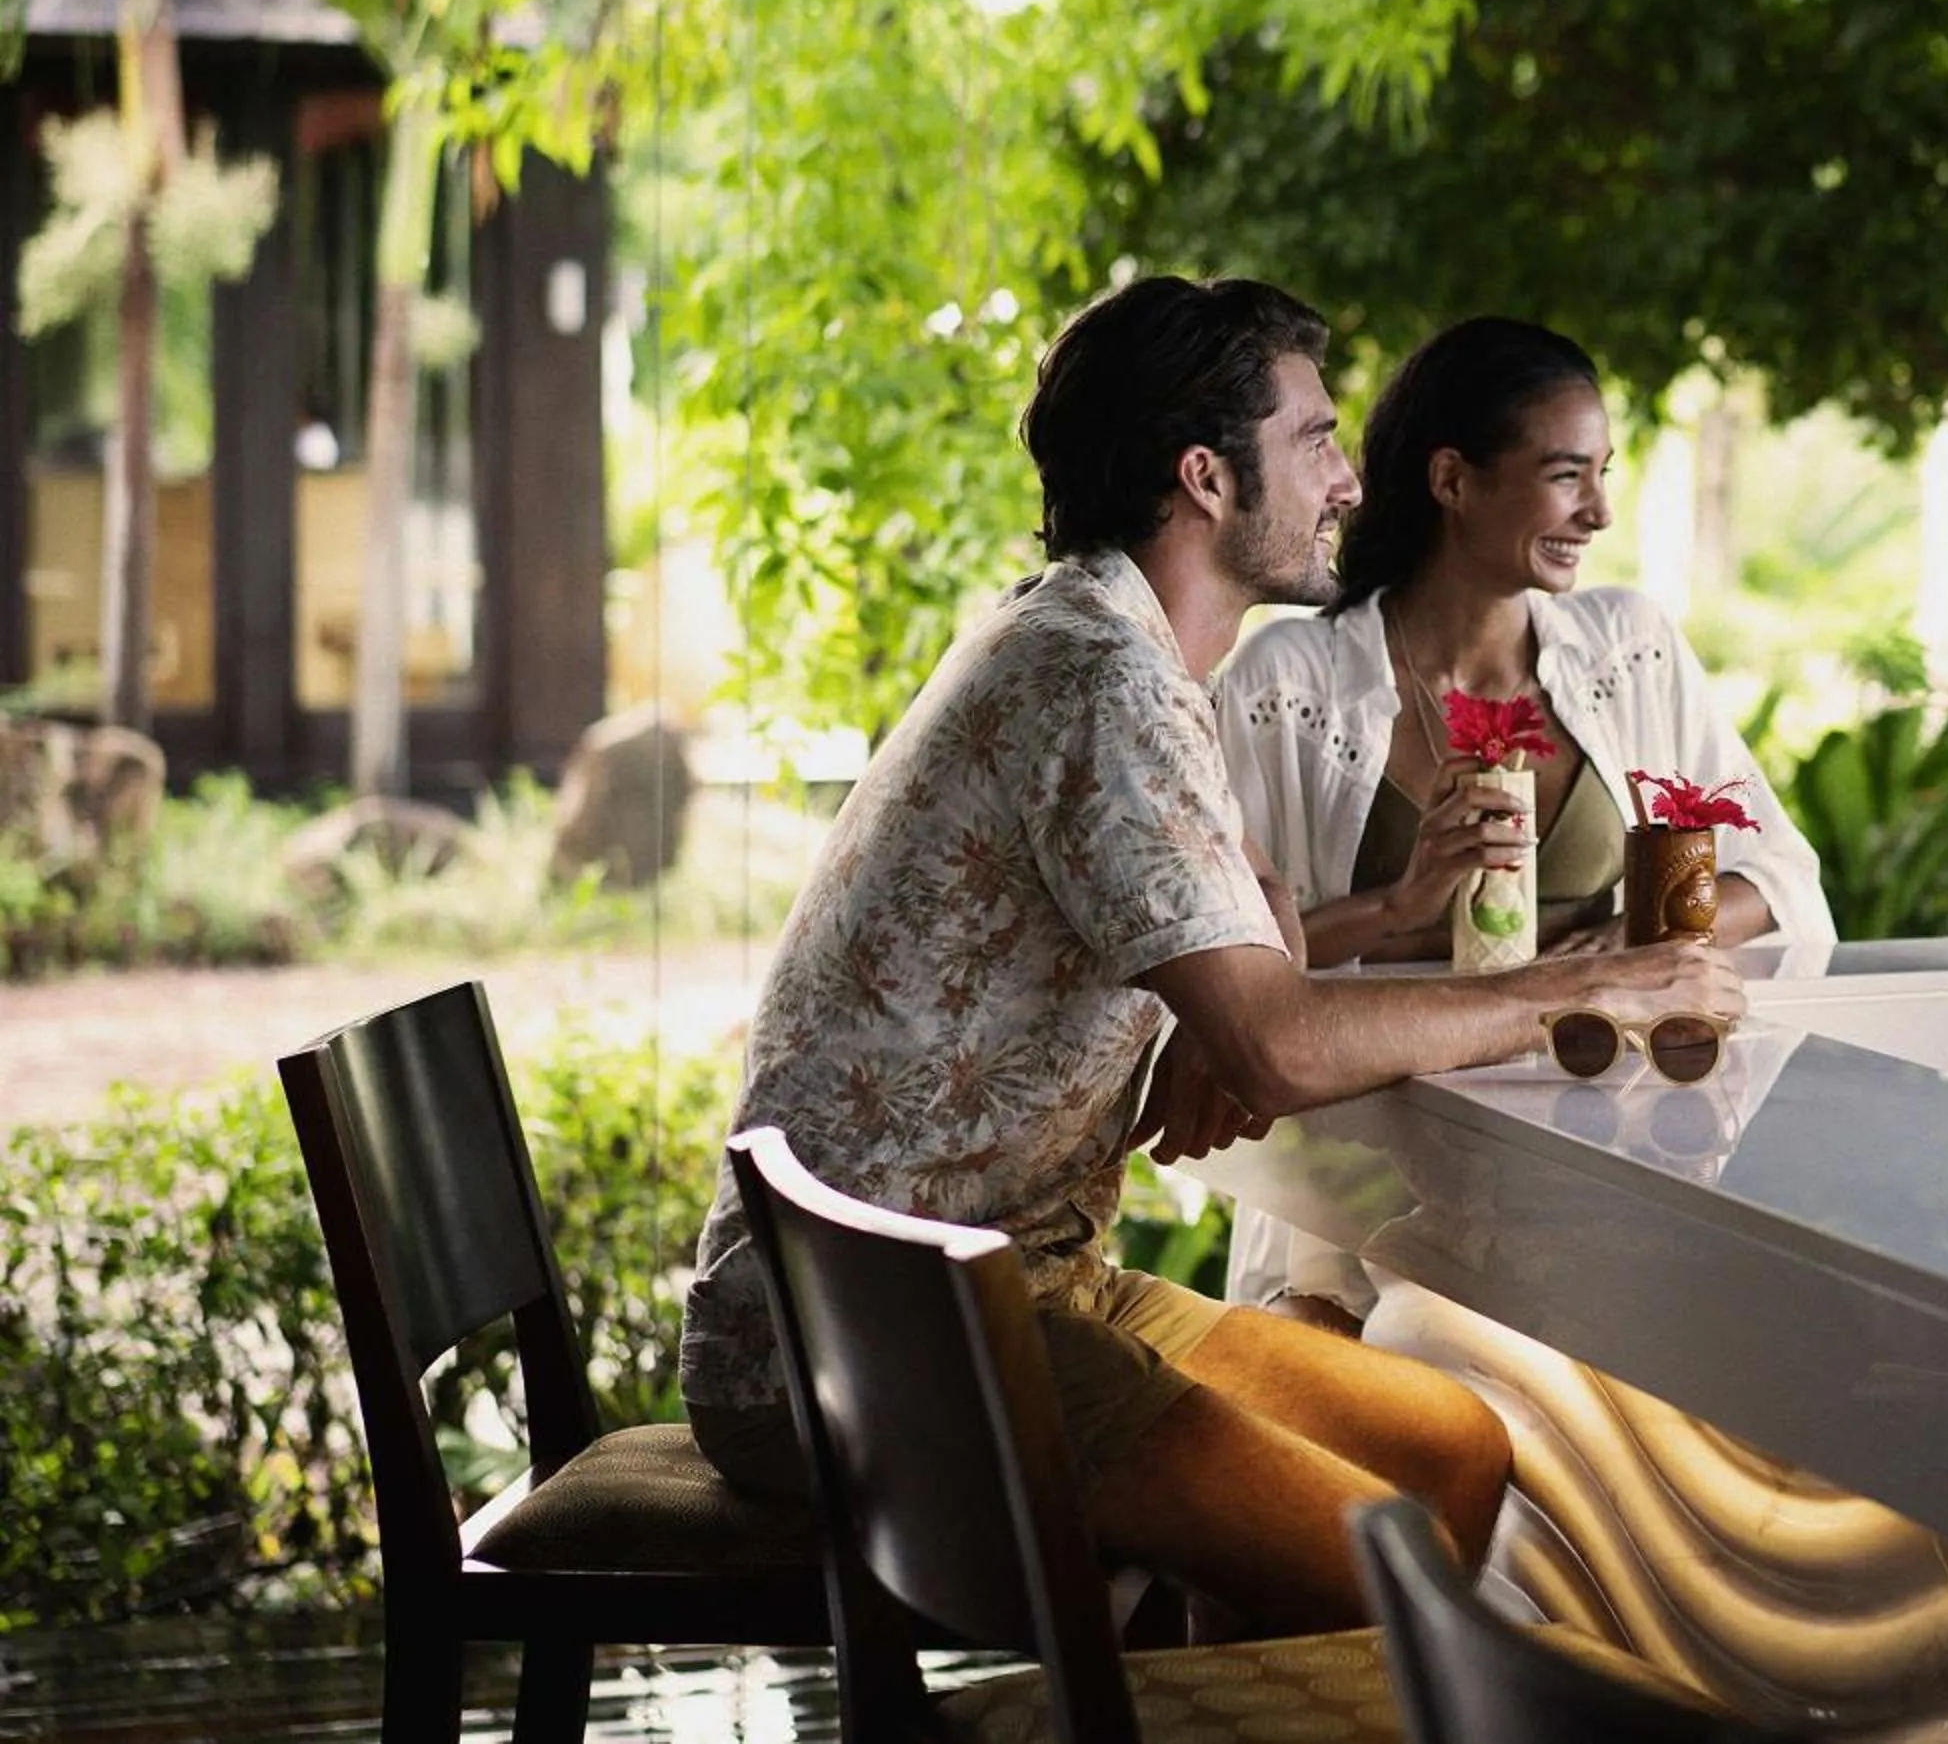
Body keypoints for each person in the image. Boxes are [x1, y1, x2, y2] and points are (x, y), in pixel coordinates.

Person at [676, 277, 1743, 1635]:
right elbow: (1281, 1044)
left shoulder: (1095, 640)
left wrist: (1250, 1001)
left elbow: (1237, 993)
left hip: (1008, 1287)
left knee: (1449, 1451)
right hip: (888, 1343)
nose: (1351, 479)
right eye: (1313, 439)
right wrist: (1580, 983)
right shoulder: (1099, 678)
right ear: (1205, 478)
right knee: (1389, 1577)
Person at [1215, 316, 1832, 1329]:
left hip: (1612, 1165)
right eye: (1565, 475)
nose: (1597, 510)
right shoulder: (1290, 683)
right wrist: (1395, 908)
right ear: (1452, 479)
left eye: (1604, 473)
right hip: (1374, 1189)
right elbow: (1238, 979)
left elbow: (1775, 873)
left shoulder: (1628, 647)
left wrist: (1634, 949)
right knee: (1424, 1354)